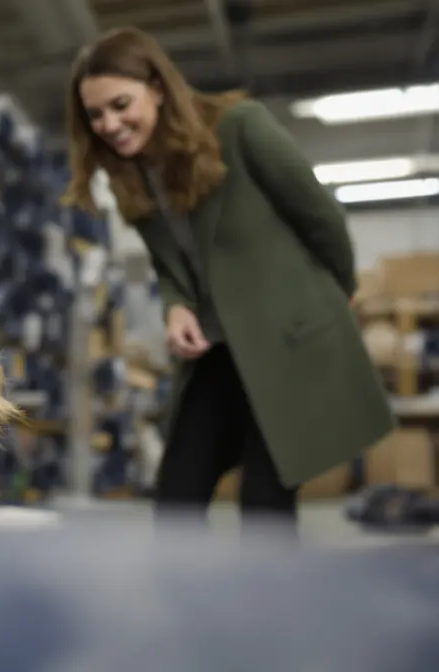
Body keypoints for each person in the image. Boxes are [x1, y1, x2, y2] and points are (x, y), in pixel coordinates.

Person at [61, 26, 394, 536]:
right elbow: (171, 268)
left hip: (286, 342)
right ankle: (183, 610)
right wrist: (175, 305)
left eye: (120, 104)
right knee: (177, 494)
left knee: (265, 503)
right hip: (216, 352)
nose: (110, 123)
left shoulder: (240, 128)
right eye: (96, 115)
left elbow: (320, 217)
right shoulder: (131, 173)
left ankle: (265, 615)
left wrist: (338, 293)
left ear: (157, 85)